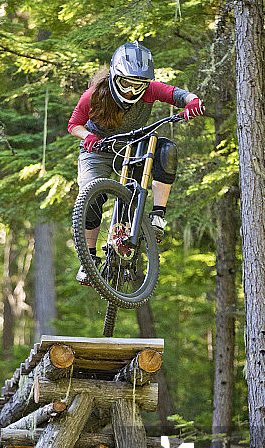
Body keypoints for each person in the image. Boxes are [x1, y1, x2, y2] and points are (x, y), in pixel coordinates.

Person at [68, 41, 204, 284]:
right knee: (91, 194)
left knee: (166, 151)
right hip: (97, 147)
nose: (131, 90)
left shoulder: (151, 90)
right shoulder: (95, 94)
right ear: (114, 76)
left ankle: (157, 216)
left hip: (132, 145)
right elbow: (73, 125)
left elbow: (176, 94)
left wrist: (193, 101)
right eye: (126, 83)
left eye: (138, 85)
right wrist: (87, 136)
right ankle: (88, 260)